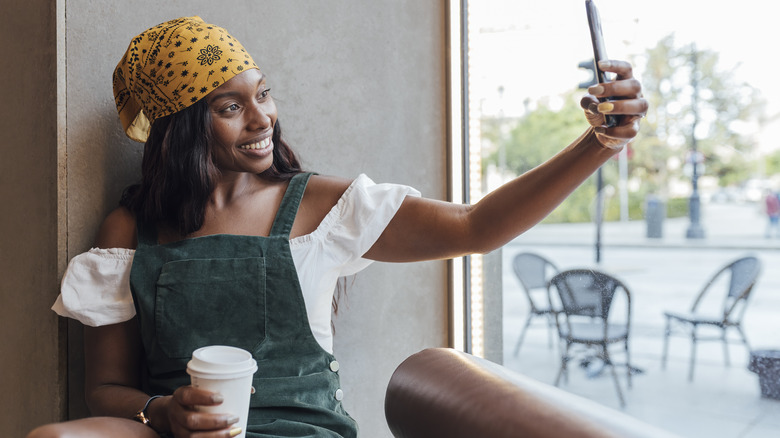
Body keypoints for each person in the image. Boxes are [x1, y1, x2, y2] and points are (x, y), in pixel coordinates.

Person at [27, 15, 647, 438]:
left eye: (263, 94)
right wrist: (161, 412)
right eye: (230, 106)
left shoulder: (326, 206)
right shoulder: (129, 227)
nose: (261, 118)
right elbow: (105, 389)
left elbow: (476, 227)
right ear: (182, 127)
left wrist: (596, 143)